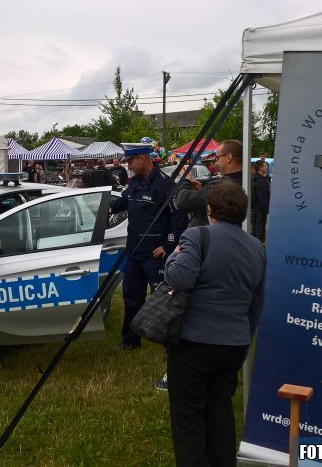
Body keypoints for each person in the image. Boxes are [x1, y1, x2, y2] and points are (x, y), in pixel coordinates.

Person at [163, 181, 266, 466]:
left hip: (194, 342)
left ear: (209, 209)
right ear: (243, 212)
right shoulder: (256, 247)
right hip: (234, 342)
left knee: (188, 417)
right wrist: (244, 340)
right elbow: (256, 302)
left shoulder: (195, 236)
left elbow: (179, 279)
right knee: (220, 411)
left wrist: (173, 256)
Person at [110, 143, 187, 352]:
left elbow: (179, 218)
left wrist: (168, 245)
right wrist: (108, 206)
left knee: (163, 300)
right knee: (131, 298)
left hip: (155, 255)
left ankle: (170, 345)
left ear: (143, 159)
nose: (128, 166)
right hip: (134, 252)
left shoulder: (165, 184)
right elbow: (124, 202)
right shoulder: (135, 183)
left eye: (131, 162)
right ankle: (130, 340)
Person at [173, 139, 244, 227]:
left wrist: (185, 180)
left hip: (207, 234)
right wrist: (201, 191)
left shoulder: (223, 186)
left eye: (217, 158)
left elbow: (182, 201)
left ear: (229, 157)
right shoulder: (244, 181)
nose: (216, 163)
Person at [250, 160, 271, 243]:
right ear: (260, 168)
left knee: (254, 232)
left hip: (255, 210)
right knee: (259, 235)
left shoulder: (255, 179)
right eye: (265, 166)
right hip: (260, 212)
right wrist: (267, 210)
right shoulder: (261, 181)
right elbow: (263, 199)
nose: (267, 167)